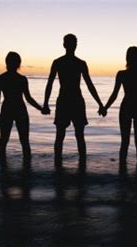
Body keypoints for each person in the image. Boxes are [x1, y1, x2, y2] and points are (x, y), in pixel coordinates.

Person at [43, 34, 104, 166]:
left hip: (67, 101)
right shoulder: (76, 63)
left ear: (65, 45)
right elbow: (89, 85)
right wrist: (100, 104)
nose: (72, 45)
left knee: (63, 136)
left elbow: (50, 84)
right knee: (77, 136)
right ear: (71, 45)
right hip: (73, 101)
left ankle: (59, 168)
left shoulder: (61, 62)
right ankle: (80, 168)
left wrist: (45, 103)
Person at [101, 46, 137, 167]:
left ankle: (122, 173)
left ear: (127, 58)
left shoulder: (122, 74)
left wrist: (105, 108)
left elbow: (114, 94)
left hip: (126, 107)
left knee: (125, 142)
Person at [0, 51, 45, 162]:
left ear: (6, 62)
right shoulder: (21, 79)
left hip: (7, 109)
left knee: (3, 140)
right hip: (19, 109)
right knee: (24, 141)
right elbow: (28, 98)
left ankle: (2, 168)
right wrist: (40, 108)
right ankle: (27, 169)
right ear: (19, 64)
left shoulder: (1, 78)